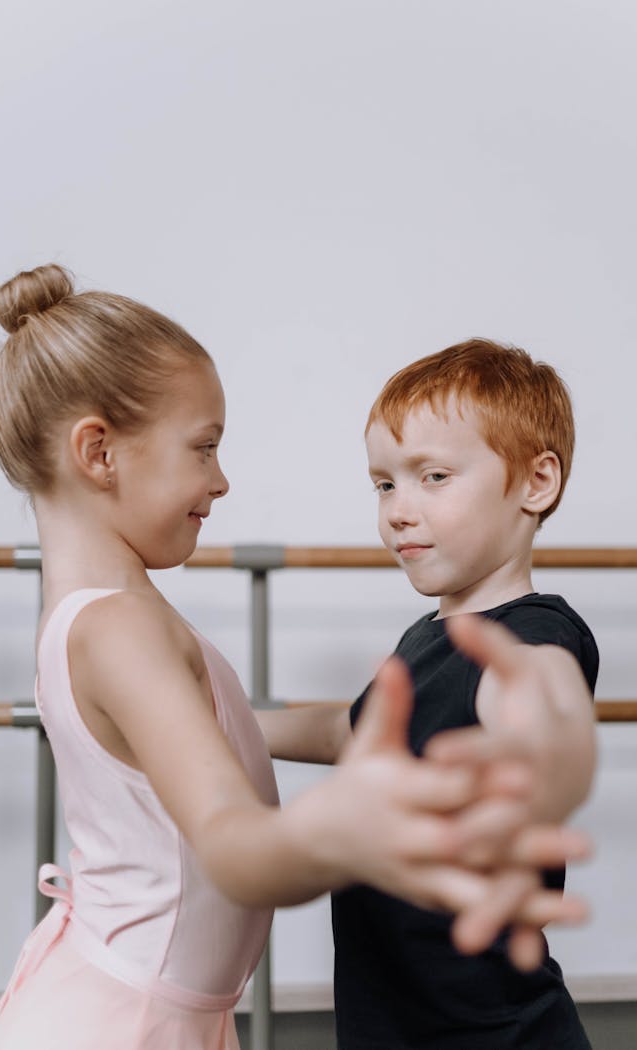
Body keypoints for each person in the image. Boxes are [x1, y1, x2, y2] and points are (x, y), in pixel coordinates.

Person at [0, 271, 587, 1050]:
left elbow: (470, 702)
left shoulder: (99, 619)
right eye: (204, 447)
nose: (222, 478)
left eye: (432, 477)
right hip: (126, 1021)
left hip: (168, 1008)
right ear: (98, 453)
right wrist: (345, 830)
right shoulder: (118, 630)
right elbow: (232, 838)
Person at [258, 339, 598, 1049]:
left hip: (491, 1034)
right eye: (384, 485)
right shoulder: (427, 634)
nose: (398, 511)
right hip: (393, 1021)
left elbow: (538, 697)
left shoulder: (533, 634)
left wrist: (540, 744)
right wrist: (227, 720)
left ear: (536, 482)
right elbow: (355, 731)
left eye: (433, 477)